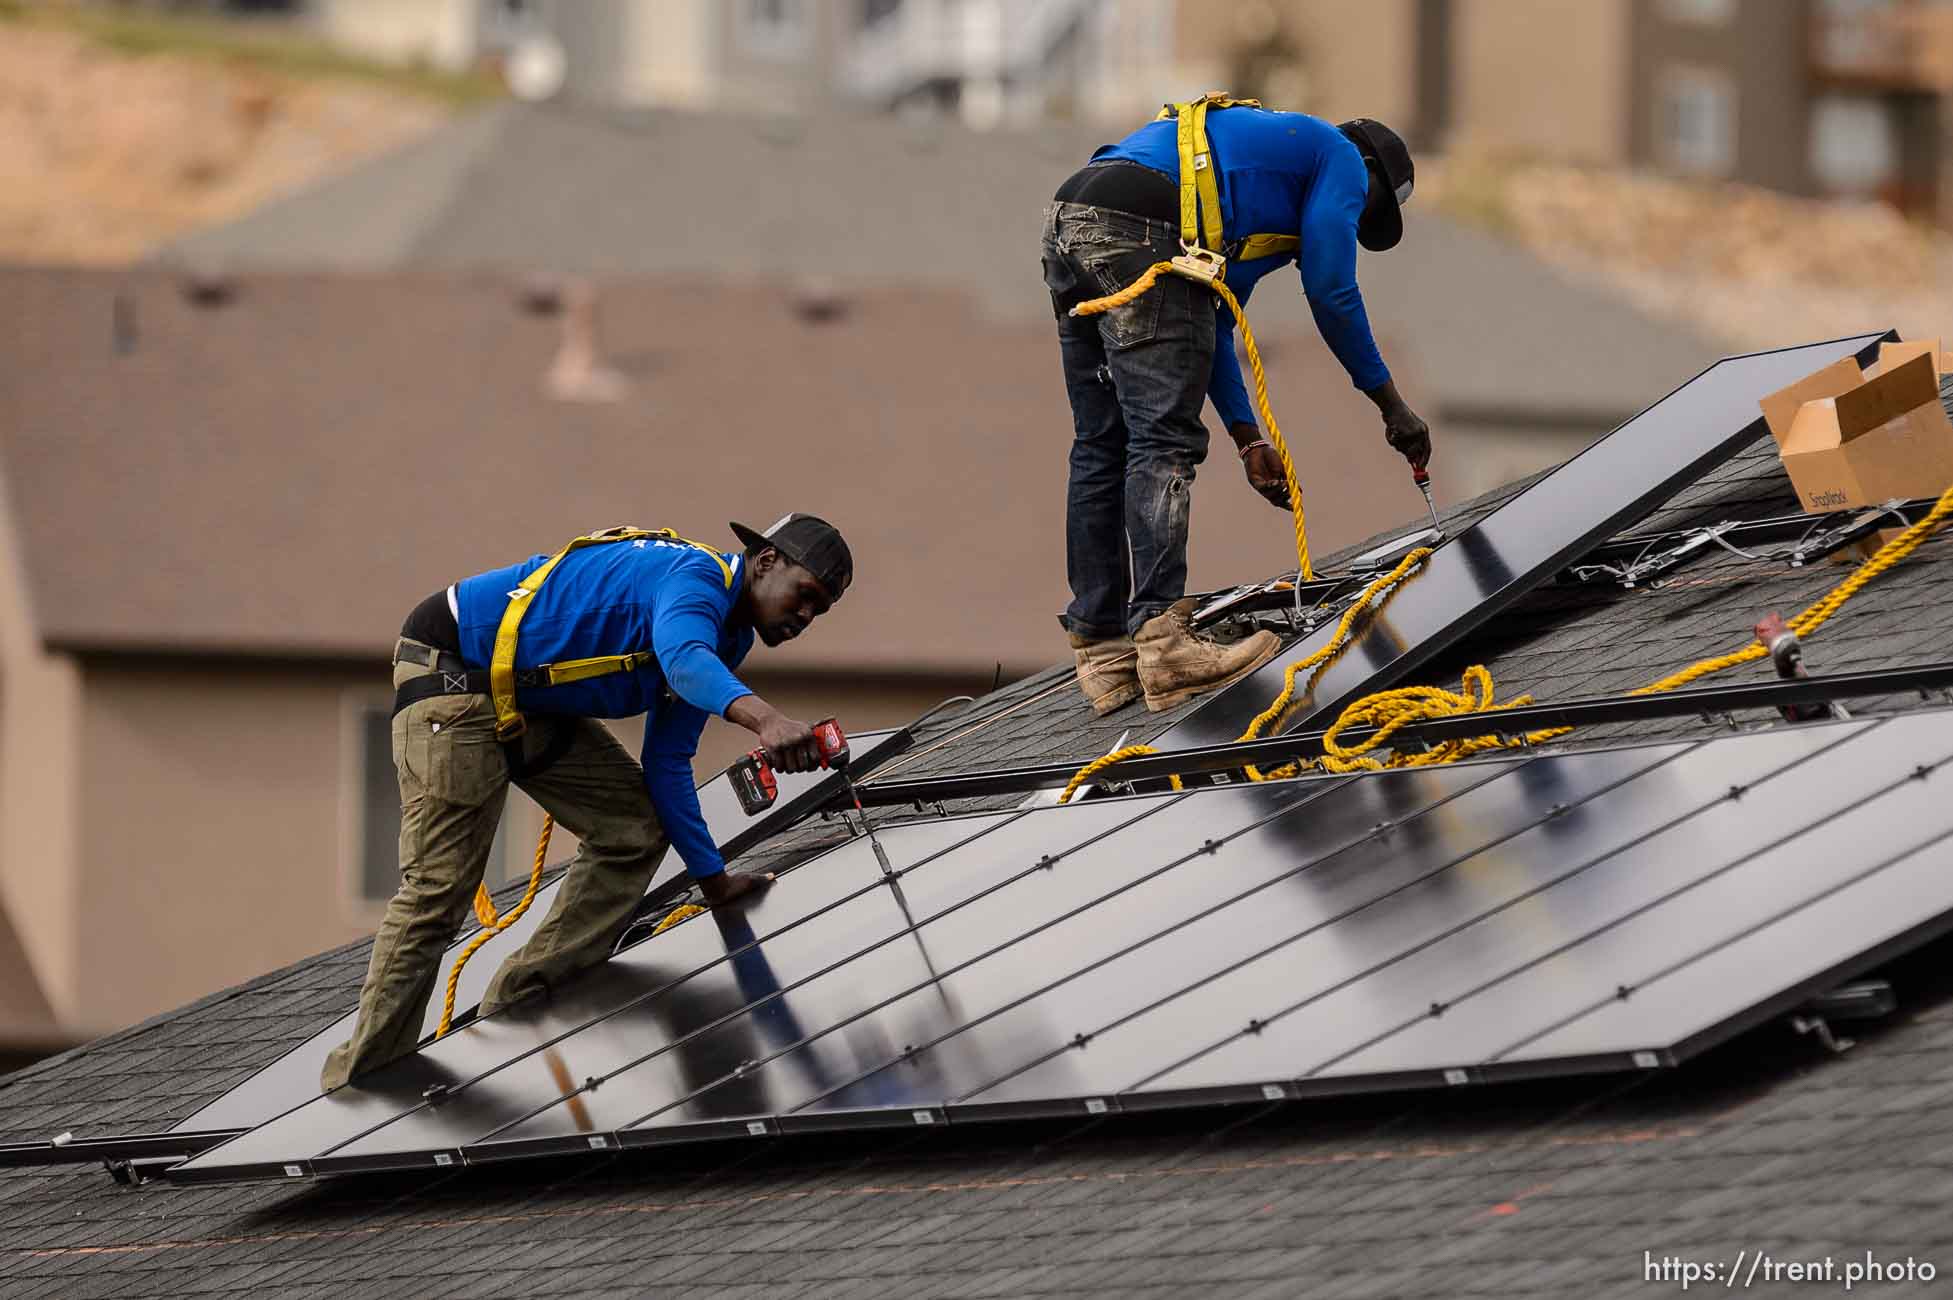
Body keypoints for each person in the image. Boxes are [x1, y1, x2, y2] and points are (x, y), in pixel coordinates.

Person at [321, 513, 853, 1090]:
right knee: (439, 889)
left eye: (819, 611)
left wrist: (714, 881)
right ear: (767, 560)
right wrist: (766, 720)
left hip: (524, 703)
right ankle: (360, 1084)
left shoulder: (729, 636)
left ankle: (518, 1006)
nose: (804, 617)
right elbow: (682, 659)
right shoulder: (693, 578)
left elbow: (667, 763)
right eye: (804, 596)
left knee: (635, 827)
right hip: (452, 677)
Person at [1041, 103, 1434, 715]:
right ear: (1369, 176)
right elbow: (1332, 289)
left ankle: (1103, 652)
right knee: (1161, 442)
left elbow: (1213, 325)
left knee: (1101, 441)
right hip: (1141, 224)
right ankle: (1164, 644)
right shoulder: (1338, 155)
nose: (1350, 219)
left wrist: (1249, 440)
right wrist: (1392, 406)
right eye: (1361, 213)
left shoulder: (1245, 199)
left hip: (1073, 219)